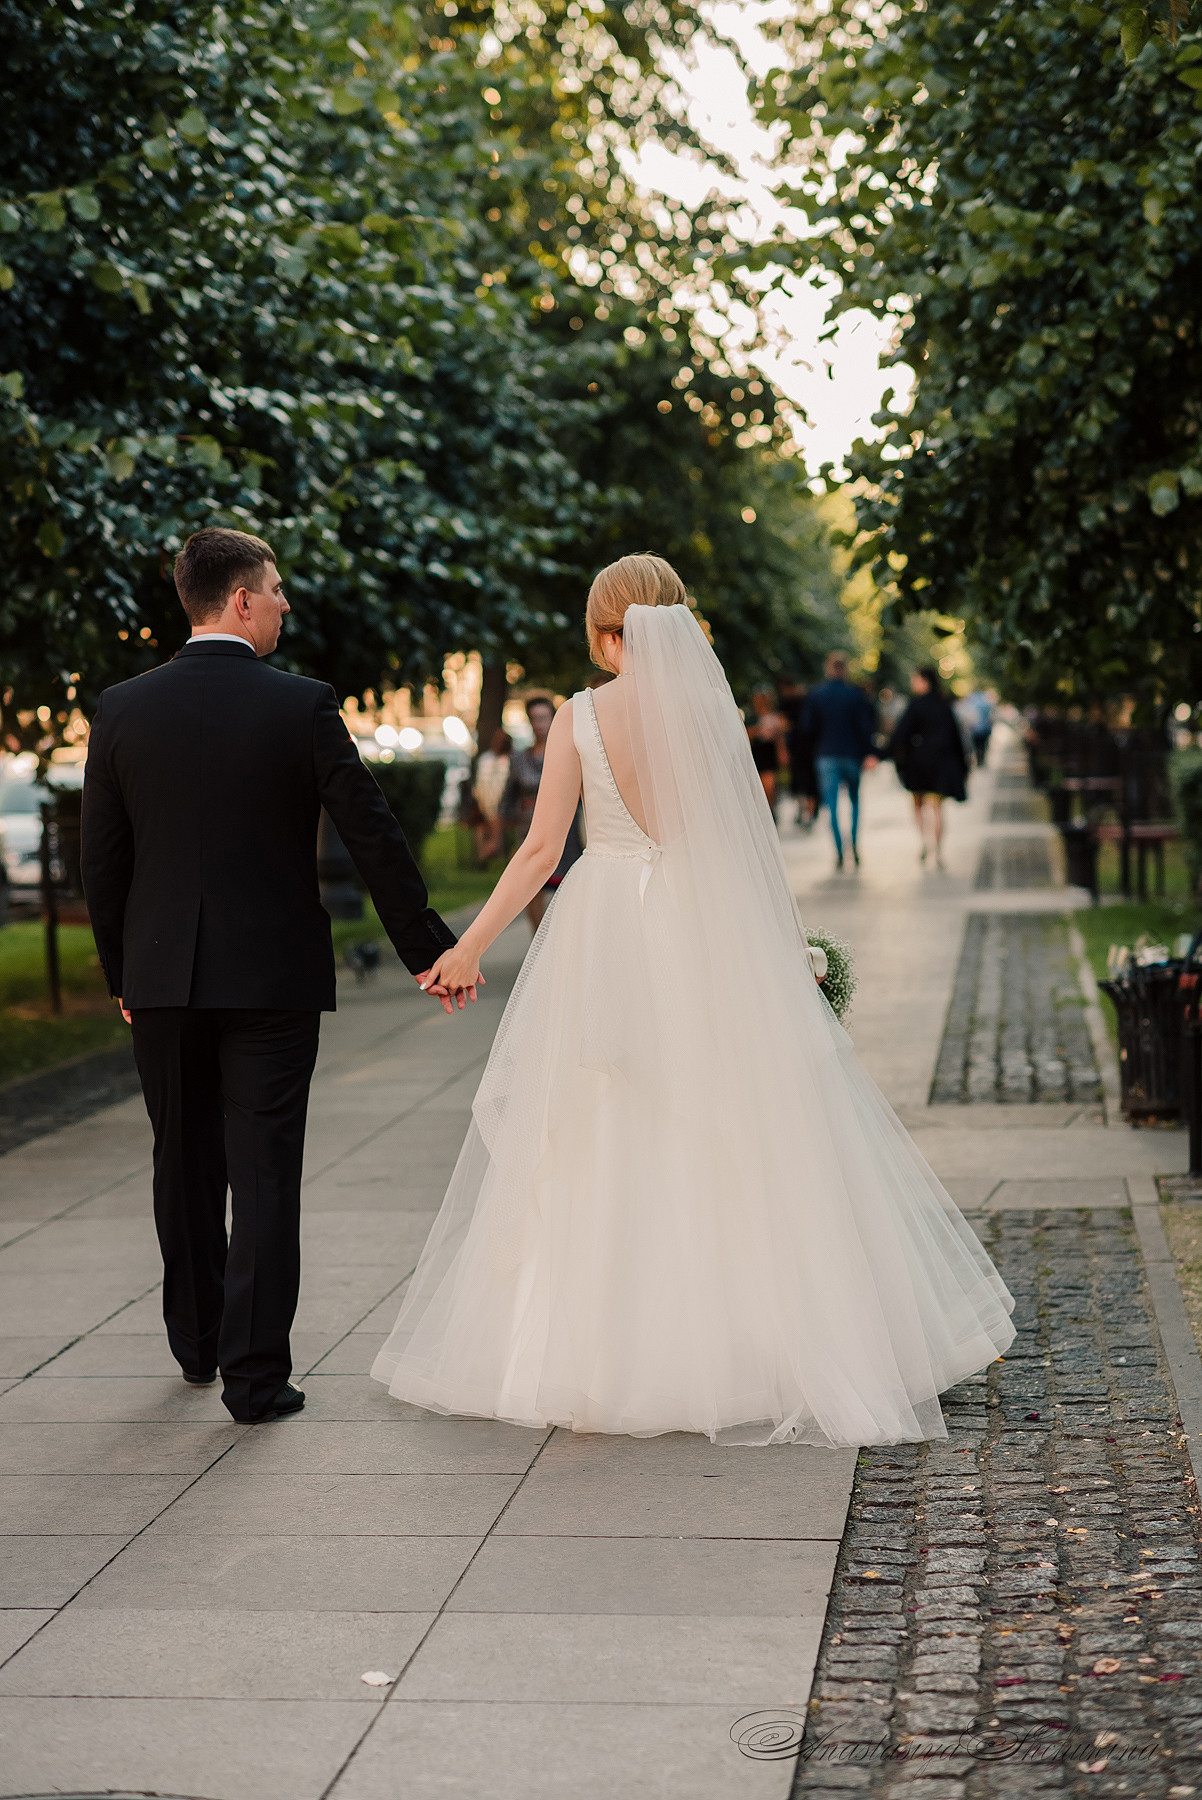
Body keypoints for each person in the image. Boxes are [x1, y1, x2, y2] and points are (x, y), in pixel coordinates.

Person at [372, 553, 1015, 1447]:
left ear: (606, 635)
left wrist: (465, 949)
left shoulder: (581, 717)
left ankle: (601, 1350)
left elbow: (538, 853)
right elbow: (747, 845)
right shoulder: (709, 714)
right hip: (702, 929)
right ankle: (752, 1345)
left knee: (598, 1120)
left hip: (606, 930)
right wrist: (788, 951)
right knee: (727, 1123)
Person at [79, 527, 466, 1425]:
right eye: (278, 590)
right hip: (273, 982)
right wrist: (426, 950)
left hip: (164, 980)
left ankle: (196, 1344)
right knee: (262, 1171)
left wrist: (121, 976)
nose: (287, 604)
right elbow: (373, 832)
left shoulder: (122, 709)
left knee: (181, 1162)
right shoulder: (300, 706)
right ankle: (255, 1380)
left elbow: (103, 862)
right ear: (242, 601)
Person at [499, 694, 582, 934]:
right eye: (534, 718)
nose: (539, 724)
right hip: (529, 829)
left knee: (567, 887)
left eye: (544, 717)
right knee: (530, 887)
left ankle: (565, 939)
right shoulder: (519, 759)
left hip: (566, 831)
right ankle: (539, 939)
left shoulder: (570, 751)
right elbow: (508, 797)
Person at [804, 652, 879, 870]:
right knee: (855, 801)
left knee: (832, 805)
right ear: (845, 669)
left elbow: (807, 728)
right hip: (851, 755)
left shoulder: (817, 695)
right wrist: (870, 753)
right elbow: (866, 728)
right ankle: (854, 844)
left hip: (826, 755)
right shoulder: (855, 695)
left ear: (828, 668)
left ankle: (838, 851)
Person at [889, 666, 969, 870]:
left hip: (919, 764)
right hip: (942, 763)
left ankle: (925, 841)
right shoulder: (944, 705)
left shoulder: (915, 705)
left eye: (915, 679)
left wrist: (891, 756)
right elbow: (956, 737)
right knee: (937, 808)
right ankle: (939, 848)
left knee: (918, 804)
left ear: (924, 681)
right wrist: (963, 767)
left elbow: (901, 735)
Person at [779, 677, 818, 826]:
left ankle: (808, 812)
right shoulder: (795, 702)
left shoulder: (803, 701)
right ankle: (807, 812)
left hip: (803, 748)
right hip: (800, 749)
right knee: (803, 782)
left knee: (806, 782)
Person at [471, 727, 511, 863]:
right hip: (487, 803)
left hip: (503, 805)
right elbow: (480, 785)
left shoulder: (509, 760)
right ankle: (491, 850)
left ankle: (491, 850)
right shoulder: (486, 759)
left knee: (496, 819)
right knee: (483, 825)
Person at [746, 685, 790, 809]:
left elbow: (782, 733)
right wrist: (759, 730)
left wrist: (782, 751)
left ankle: (770, 810)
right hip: (755, 752)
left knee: (769, 785)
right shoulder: (751, 717)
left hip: (768, 753)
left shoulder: (775, 716)